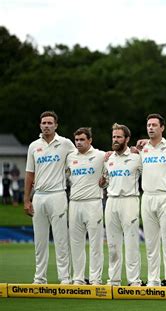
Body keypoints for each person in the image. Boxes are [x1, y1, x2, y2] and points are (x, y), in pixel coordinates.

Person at [24, 110, 75, 284]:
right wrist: (26, 199)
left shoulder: (65, 143)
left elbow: (79, 158)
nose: (46, 126)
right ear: (40, 125)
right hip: (39, 196)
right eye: (43, 123)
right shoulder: (33, 146)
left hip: (58, 195)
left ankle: (65, 278)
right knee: (40, 241)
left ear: (56, 125)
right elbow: (29, 174)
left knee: (61, 239)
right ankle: (39, 278)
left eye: (49, 123)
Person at [100, 123, 142, 286]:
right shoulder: (109, 158)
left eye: (119, 137)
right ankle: (114, 280)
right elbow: (104, 183)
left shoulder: (136, 157)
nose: (115, 140)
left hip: (129, 200)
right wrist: (102, 182)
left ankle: (134, 281)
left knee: (131, 243)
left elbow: (149, 174)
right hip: (111, 201)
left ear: (127, 139)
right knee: (112, 245)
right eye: (114, 137)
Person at [140, 114, 166, 287]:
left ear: (162, 127)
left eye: (154, 125)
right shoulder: (141, 148)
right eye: (148, 125)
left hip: (165, 196)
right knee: (151, 242)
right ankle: (153, 279)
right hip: (147, 196)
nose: (150, 128)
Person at [67, 127, 105, 285]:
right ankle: (78, 278)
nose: (78, 143)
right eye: (76, 140)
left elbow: (114, 168)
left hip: (93, 202)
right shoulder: (70, 157)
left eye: (82, 139)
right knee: (76, 244)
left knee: (96, 244)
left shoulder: (101, 155)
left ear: (90, 140)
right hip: (74, 203)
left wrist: (105, 182)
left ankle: (95, 279)